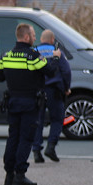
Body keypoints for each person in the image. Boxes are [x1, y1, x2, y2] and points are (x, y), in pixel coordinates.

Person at [0, 23, 54, 185]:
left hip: (13, 103)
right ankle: (20, 175)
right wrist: (54, 57)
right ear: (26, 37)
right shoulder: (33, 56)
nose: (35, 38)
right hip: (29, 103)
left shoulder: (6, 56)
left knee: (13, 137)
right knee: (26, 138)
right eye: (34, 35)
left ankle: (9, 174)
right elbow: (50, 71)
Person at [31, 29, 72, 163]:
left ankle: (36, 151)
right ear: (52, 39)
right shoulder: (57, 52)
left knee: (38, 121)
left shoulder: (34, 51)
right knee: (57, 120)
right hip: (54, 91)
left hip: (38, 92)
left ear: (41, 39)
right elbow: (66, 71)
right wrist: (66, 88)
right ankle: (51, 147)